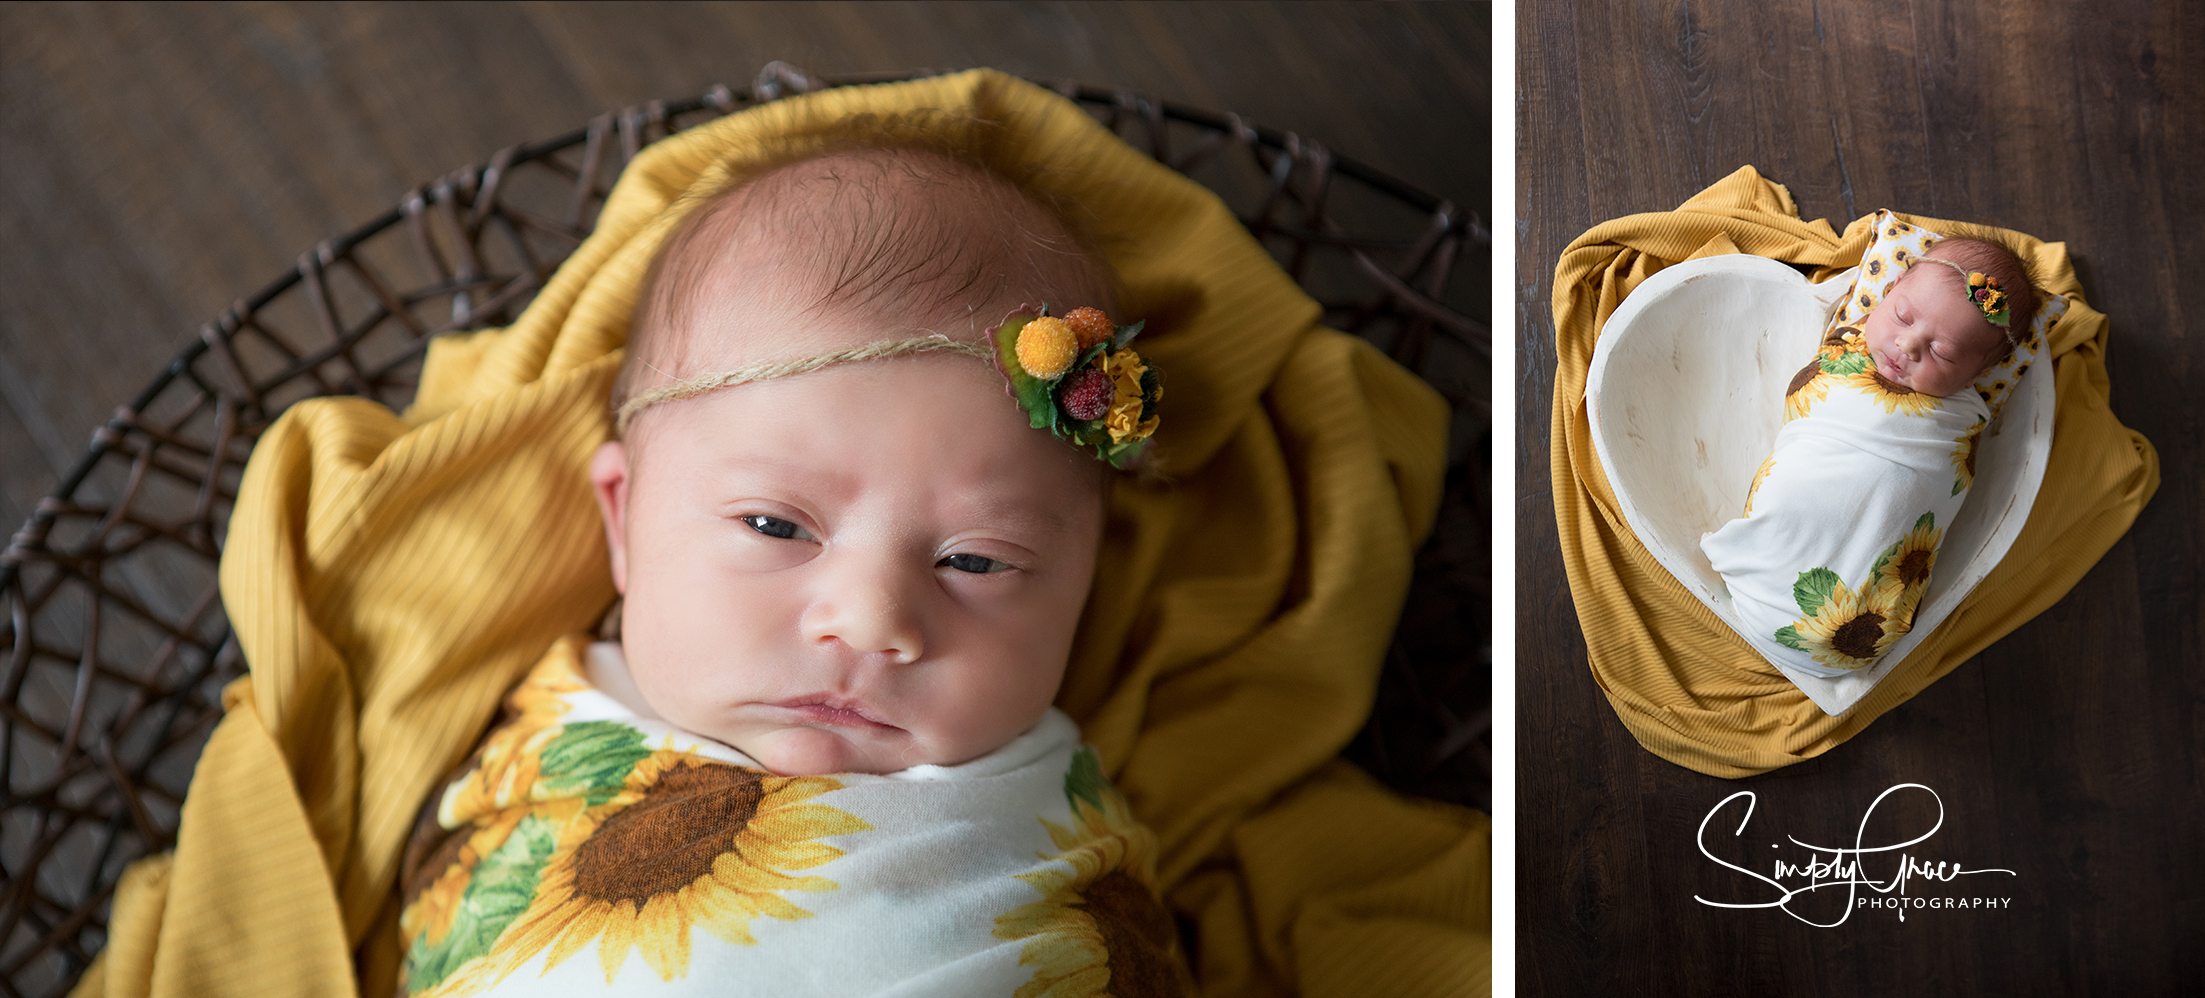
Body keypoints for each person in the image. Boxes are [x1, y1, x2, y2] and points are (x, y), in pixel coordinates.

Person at [394, 131, 1184, 997]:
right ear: (624, 522)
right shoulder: (534, 752)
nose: (870, 618)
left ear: (1083, 586)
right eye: (775, 525)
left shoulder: (1060, 813)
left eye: (976, 561)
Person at [1701, 235, 2041, 677]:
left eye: (1943, 352)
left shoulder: (1962, 419)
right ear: (1891, 286)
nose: (1909, 346)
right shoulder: (1857, 347)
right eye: (1902, 315)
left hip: (1852, 630)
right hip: (1842, 643)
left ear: (1976, 374)